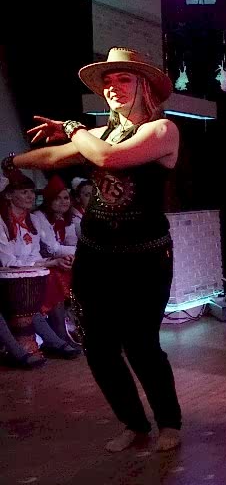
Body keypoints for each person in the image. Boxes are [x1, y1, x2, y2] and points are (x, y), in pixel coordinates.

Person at [10, 47, 182, 453]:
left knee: (141, 344)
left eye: (124, 79)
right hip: (95, 256)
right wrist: (10, 162)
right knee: (99, 347)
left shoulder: (162, 130)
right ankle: (134, 423)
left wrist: (73, 128)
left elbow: (109, 158)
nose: (113, 88)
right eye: (108, 82)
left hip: (144, 258)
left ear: (144, 86)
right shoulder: (98, 133)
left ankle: (169, 423)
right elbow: (53, 156)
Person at [0, 169, 81, 360]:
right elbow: (8, 261)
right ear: (9, 195)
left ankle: (56, 339)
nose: (30, 196)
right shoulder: (2, 222)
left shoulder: (33, 221)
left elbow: (35, 254)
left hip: (26, 276)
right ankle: (27, 348)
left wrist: (52, 261)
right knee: (50, 280)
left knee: (54, 277)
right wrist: (49, 262)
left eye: (31, 192)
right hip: (7, 277)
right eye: (24, 192)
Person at [32, 175, 80, 352]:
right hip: (42, 264)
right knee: (56, 278)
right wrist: (78, 253)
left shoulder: (66, 218)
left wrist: (73, 256)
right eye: (57, 198)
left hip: (58, 262)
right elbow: (53, 248)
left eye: (65, 197)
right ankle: (60, 334)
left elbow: (71, 243)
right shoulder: (39, 216)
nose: (63, 202)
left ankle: (78, 329)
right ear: (48, 200)